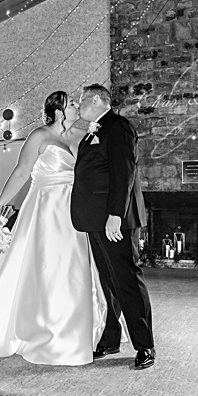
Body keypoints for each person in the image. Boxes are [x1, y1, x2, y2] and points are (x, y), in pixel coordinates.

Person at [0, 91, 107, 365]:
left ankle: (72, 330)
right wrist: (1, 203)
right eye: (71, 104)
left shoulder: (75, 139)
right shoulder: (40, 135)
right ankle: (40, 329)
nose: (76, 107)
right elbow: (22, 172)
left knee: (72, 270)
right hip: (45, 211)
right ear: (58, 110)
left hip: (72, 214)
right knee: (44, 267)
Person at [71, 84, 155, 370]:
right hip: (95, 219)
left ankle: (144, 345)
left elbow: (124, 172)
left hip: (113, 220)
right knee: (108, 282)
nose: (79, 106)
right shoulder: (93, 131)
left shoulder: (118, 126)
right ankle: (110, 338)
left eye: (82, 101)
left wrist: (115, 215)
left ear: (96, 99)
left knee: (127, 280)